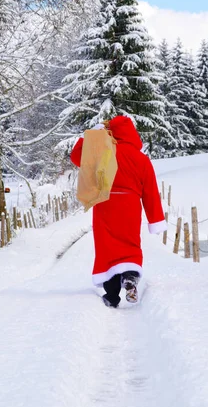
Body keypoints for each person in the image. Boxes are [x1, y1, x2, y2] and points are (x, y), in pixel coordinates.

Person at [70, 115, 166, 308]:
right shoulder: (141, 159)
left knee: (107, 247)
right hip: (130, 205)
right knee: (130, 243)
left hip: (105, 202)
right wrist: (155, 219)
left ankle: (112, 296)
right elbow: (150, 191)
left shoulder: (102, 151)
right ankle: (130, 278)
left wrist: (92, 136)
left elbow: (77, 157)